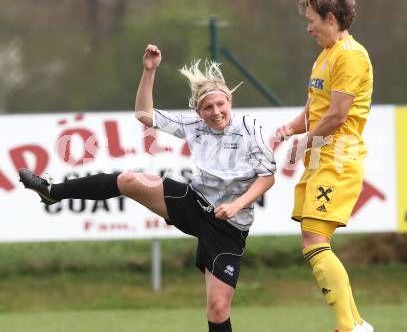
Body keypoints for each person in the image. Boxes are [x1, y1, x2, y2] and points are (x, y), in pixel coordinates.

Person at [19, 44, 276, 332]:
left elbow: (267, 177)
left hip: (228, 227)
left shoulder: (249, 127)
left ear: (230, 101)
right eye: (207, 107)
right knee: (128, 180)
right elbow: (143, 114)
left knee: (217, 310)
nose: (216, 112)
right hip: (193, 203)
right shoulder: (194, 124)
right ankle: (52, 191)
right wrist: (149, 70)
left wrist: (237, 205)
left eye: (220, 104)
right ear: (198, 110)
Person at [276, 0, 374, 332]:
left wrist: (305, 142)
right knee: (311, 239)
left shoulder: (350, 55)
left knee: (315, 238)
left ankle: (350, 327)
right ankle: (356, 324)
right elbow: (315, 108)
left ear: (330, 18)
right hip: (321, 156)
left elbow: (337, 115)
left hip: (339, 157)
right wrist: (289, 129)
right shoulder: (326, 55)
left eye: (312, 19)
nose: (308, 27)